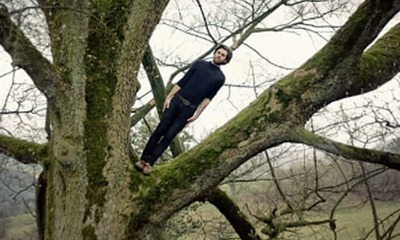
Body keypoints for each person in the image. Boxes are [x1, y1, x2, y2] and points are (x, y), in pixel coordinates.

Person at [135, 44, 233, 175]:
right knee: (160, 130)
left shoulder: (220, 78)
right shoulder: (199, 64)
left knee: (169, 136)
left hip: (189, 110)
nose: (219, 55)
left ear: (225, 60)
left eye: (223, 55)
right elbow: (182, 81)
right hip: (176, 101)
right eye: (218, 52)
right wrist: (169, 97)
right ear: (215, 52)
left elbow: (208, 98)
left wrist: (197, 115)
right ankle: (142, 160)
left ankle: (149, 163)